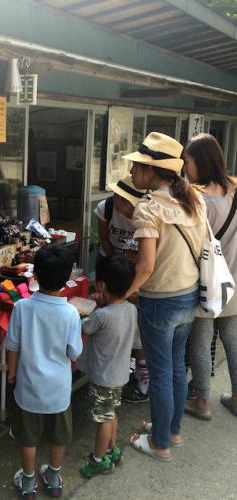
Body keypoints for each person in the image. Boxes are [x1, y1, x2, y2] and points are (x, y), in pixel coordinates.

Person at [125, 132, 206, 461]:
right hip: (188, 297)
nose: (132, 172)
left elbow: (145, 267)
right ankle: (171, 431)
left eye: (137, 166)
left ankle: (160, 444)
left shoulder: (148, 209)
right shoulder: (192, 199)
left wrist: (120, 296)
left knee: (160, 373)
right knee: (174, 369)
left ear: (152, 171)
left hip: (159, 301)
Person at [3, 245, 82, 499]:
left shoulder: (22, 308)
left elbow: (13, 346)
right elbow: (73, 352)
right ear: (68, 277)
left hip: (28, 387)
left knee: (28, 438)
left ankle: (28, 483)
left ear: (34, 275)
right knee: (59, 436)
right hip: (59, 390)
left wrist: (11, 374)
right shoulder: (70, 312)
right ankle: (54, 476)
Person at [183, 133, 237, 419]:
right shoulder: (235, 188)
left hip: (206, 279)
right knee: (232, 335)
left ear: (201, 160)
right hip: (233, 277)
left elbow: (194, 244)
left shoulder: (198, 198)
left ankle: (201, 401)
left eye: (188, 160)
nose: (185, 167)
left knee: (201, 339)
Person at [79, 255, 137, 478]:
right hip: (120, 374)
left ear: (101, 285)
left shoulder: (101, 316)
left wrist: (94, 306)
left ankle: (98, 460)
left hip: (103, 377)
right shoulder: (131, 310)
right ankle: (112, 451)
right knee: (111, 412)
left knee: (102, 419)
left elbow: (84, 327)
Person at [95, 175, 149, 403]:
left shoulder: (147, 216)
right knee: (110, 320)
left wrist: (129, 267)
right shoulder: (105, 208)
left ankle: (142, 378)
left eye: (125, 201)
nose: (118, 203)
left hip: (136, 273)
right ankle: (116, 368)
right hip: (110, 265)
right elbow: (105, 242)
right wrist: (108, 279)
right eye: (117, 197)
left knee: (135, 326)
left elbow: (147, 255)